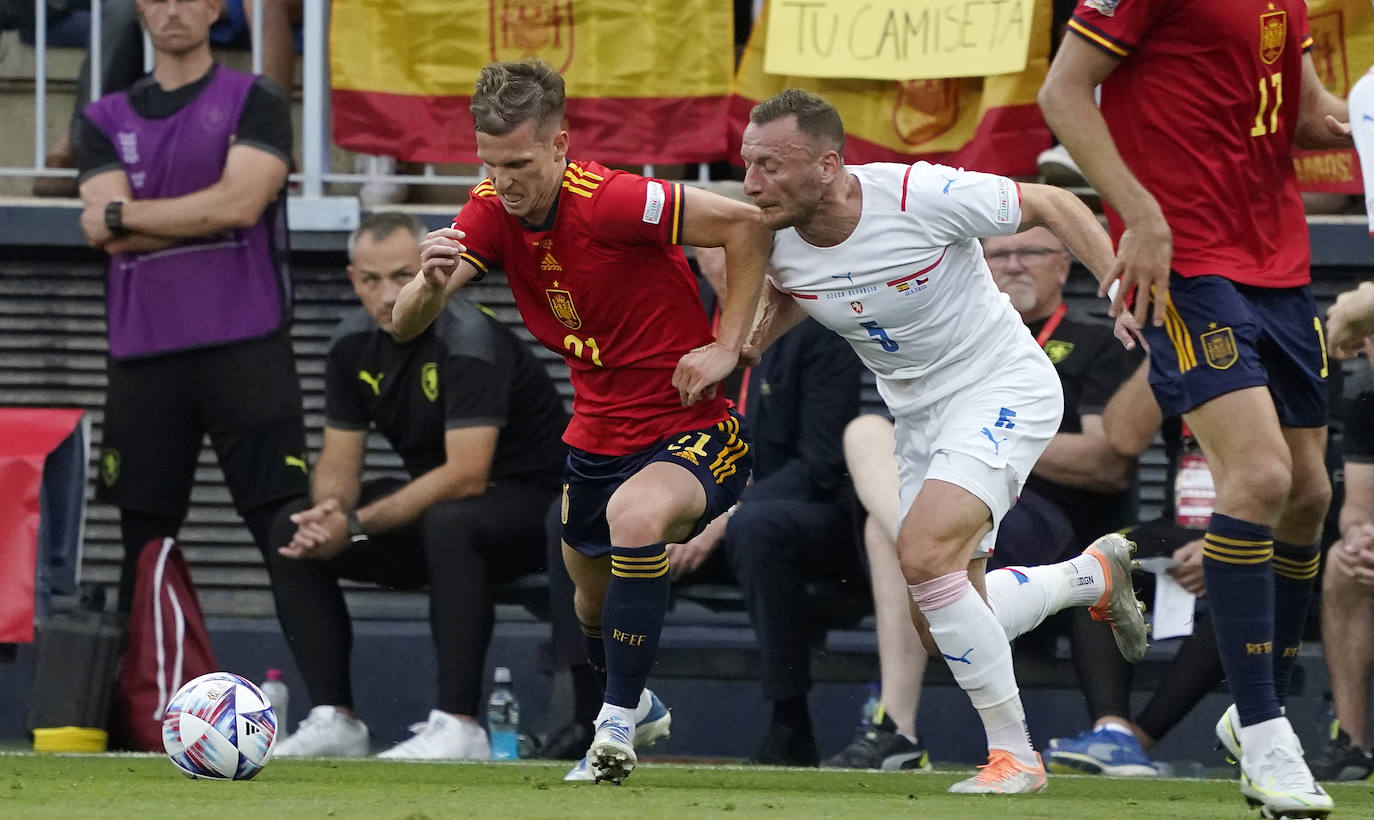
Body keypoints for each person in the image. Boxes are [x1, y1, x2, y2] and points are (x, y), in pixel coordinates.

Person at [738, 87, 1136, 794]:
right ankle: (1088, 578)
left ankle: (1015, 757)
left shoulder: (918, 193)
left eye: (770, 165)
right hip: (920, 418)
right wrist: (739, 347)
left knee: (921, 556)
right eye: (748, 163)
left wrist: (1115, 282)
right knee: (941, 623)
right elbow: (793, 290)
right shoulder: (778, 237)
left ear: (827, 165)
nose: (751, 182)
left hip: (1002, 387)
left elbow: (1053, 202)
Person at [392, 59, 770, 784]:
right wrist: (429, 282)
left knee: (635, 518)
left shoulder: (616, 201)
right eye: (490, 163)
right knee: (589, 601)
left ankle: (615, 732)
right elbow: (408, 324)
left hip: (695, 428)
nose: (503, 180)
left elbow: (747, 226)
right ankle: (639, 702)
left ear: (561, 146)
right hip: (597, 436)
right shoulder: (490, 210)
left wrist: (728, 343)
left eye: (520, 163)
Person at [1039, 1, 1351, 813]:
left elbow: (1308, 117)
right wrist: (1139, 215)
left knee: (1310, 493)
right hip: (1187, 259)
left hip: (1277, 260)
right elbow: (1063, 93)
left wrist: (1363, 123)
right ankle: (1266, 726)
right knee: (1258, 478)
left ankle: (1258, 717)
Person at [825, 225, 1144, 773]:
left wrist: (981, 443)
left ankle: (896, 727)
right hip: (954, 502)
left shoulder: (1093, 342)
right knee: (867, 439)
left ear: (1064, 267)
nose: (1015, 264)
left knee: (897, 537)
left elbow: (1107, 459)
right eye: (1000, 253)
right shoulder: (957, 343)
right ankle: (1085, 578)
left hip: (1042, 513)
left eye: (1033, 252)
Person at [264, 212, 566, 759]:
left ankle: (460, 726)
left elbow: (466, 474)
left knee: (452, 520)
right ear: (353, 278)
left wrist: (355, 526)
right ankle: (336, 719)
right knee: (290, 528)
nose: (386, 295)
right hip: (440, 517)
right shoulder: (351, 344)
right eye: (371, 280)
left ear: (435, 269)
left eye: (403, 276)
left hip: (535, 513)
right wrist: (329, 516)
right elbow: (339, 464)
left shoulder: (468, 336)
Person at [73, 0, 305, 633]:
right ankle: (136, 708)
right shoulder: (103, 117)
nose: (173, 11)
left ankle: (330, 710)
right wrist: (197, 210)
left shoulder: (255, 97)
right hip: (145, 348)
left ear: (215, 9)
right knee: (143, 537)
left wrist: (128, 213)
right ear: (141, 9)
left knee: (284, 525)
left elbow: (240, 204)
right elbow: (107, 231)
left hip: (246, 339)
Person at [1310, 356, 1374, 780]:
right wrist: (1361, 538)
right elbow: (1356, 507)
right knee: (1343, 562)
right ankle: (1351, 745)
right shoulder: (1366, 393)